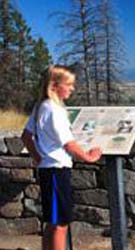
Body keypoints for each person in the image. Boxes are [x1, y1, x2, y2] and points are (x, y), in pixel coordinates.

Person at [21, 65, 102, 250]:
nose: (72, 88)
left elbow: (26, 136)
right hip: (57, 170)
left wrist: (38, 157)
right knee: (60, 224)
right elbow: (69, 143)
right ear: (55, 85)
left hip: (48, 170)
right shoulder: (54, 110)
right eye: (69, 84)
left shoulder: (41, 106)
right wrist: (89, 157)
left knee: (52, 221)